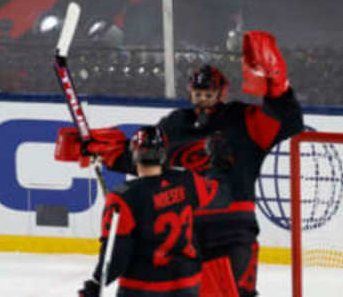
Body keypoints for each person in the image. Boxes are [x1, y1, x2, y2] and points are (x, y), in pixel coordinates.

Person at [78, 30, 304, 296]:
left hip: (232, 229)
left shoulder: (244, 118)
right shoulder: (175, 123)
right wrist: (105, 152)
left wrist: (279, 88)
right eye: (198, 96)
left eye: (208, 96)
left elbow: (288, 123)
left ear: (222, 94)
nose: (203, 103)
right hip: (188, 234)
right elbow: (144, 158)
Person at [77, 126, 223, 297]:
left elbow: (116, 255)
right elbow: (215, 190)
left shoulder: (122, 197)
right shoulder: (189, 181)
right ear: (163, 155)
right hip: (187, 284)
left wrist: (96, 283)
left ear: (133, 156)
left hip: (141, 287)